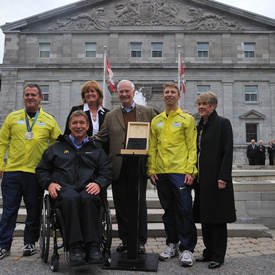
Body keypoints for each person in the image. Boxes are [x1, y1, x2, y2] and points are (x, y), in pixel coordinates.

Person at [36, 110, 112, 266]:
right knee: (71, 198)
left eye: (82, 123)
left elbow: (107, 170)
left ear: (88, 126)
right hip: (65, 190)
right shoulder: (56, 148)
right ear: (69, 126)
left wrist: (98, 183)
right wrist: (49, 183)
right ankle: (75, 247)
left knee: (88, 198)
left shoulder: (96, 149)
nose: (78, 126)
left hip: (88, 189)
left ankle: (93, 247)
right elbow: (42, 170)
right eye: (75, 123)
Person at [0, 83, 62, 259]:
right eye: (27, 94)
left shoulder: (49, 120)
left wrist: (54, 171)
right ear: (23, 97)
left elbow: (58, 146)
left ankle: (29, 243)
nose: (30, 97)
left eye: (33, 95)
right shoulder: (12, 118)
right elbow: (2, 142)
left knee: (33, 211)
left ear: (40, 98)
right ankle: (4, 245)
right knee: (9, 211)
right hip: (12, 172)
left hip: (35, 174)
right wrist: (0, 165)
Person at [95, 79, 156, 254]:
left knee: (139, 204)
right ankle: (125, 239)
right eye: (120, 92)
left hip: (139, 166)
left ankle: (139, 241)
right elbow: (101, 137)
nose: (123, 94)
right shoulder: (110, 115)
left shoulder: (148, 112)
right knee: (121, 205)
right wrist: (80, 143)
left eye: (126, 91)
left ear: (133, 92)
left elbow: (160, 130)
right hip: (118, 166)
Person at [147, 83, 197, 267]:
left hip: (180, 172)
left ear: (178, 96)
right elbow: (152, 147)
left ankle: (187, 248)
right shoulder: (156, 120)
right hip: (161, 173)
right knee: (168, 210)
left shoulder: (186, 119)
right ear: (163, 96)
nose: (169, 95)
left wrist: (191, 170)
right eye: (166, 92)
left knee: (184, 209)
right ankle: (172, 244)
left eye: (172, 92)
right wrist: (151, 169)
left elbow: (192, 147)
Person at [193, 92, 236, 269]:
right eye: (199, 104)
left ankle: (218, 256)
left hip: (217, 179)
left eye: (205, 104)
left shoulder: (223, 123)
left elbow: (227, 152)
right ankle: (208, 251)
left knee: (217, 219)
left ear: (213, 106)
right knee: (206, 217)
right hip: (202, 179)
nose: (201, 107)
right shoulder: (200, 126)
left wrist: (223, 176)